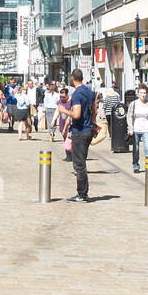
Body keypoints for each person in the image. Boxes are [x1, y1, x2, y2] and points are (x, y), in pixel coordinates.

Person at [58, 69, 97, 202]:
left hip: (80, 131)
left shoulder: (77, 95)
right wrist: (93, 123)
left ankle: (82, 194)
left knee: (79, 164)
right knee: (82, 162)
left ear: (73, 78)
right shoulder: (89, 92)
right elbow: (94, 110)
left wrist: (64, 110)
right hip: (88, 130)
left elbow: (76, 114)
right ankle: (83, 193)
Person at [129, 85, 148, 172]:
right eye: (141, 93)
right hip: (136, 129)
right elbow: (130, 116)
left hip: (146, 129)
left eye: (144, 93)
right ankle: (136, 166)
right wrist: (130, 128)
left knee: (147, 148)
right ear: (138, 94)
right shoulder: (134, 103)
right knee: (136, 149)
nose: (143, 95)